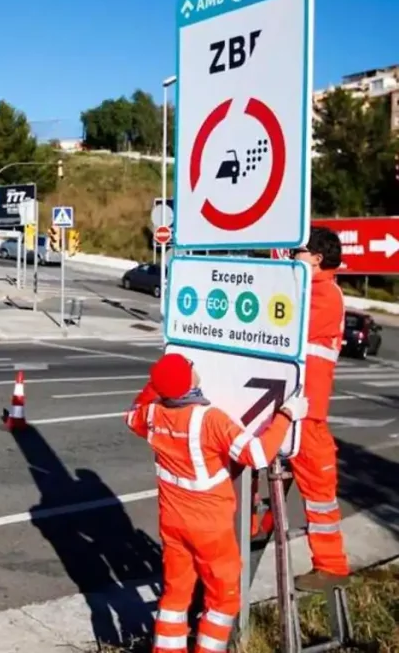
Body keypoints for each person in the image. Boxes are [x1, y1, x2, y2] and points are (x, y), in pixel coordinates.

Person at [125, 353, 308, 653]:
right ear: (187, 382)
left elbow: (132, 414)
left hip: (172, 523)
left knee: (175, 595)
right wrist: (287, 414)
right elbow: (258, 455)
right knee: (223, 599)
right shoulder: (210, 420)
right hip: (210, 528)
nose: (195, 366)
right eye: (190, 366)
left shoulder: (152, 415)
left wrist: (156, 383)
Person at [290, 227, 350, 590]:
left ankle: (331, 566)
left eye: (297, 252)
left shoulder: (325, 294)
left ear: (316, 257)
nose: (292, 257)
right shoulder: (310, 289)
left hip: (308, 411)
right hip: (293, 406)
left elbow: (287, 327)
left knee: (319, 492)